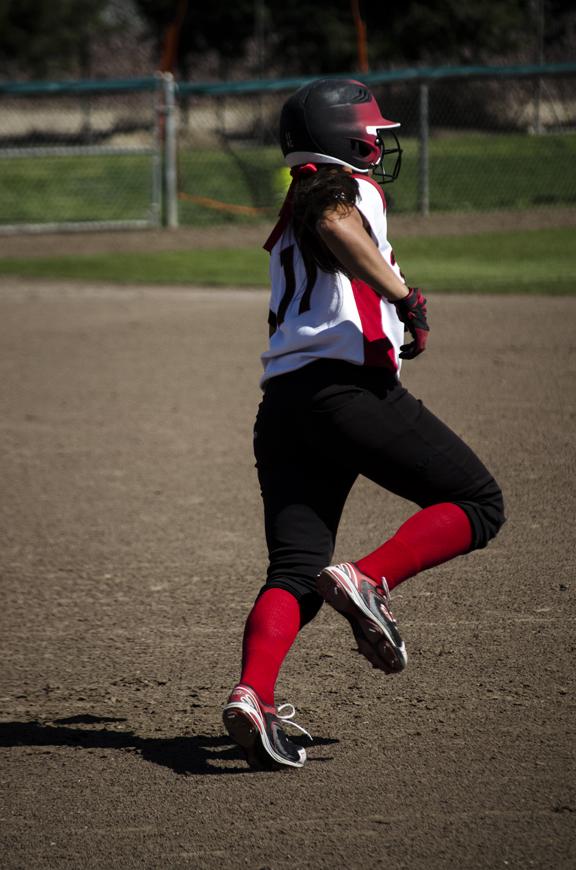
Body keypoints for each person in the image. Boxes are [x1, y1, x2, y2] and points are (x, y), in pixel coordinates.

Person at [222, 79, 504, 770]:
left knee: (293, 571)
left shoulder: (298, 199)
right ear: (347, 139)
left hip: (283, 407)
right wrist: (405, 298)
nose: (379, 141)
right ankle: (371, 580)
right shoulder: (334, 188)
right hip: (346, 392)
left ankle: (252, 696)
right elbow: (336, 221)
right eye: (370, 131)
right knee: (478, 502)